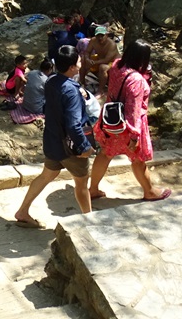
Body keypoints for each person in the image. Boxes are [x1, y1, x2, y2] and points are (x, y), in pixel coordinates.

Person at [13, 47, 94, 227]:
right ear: (73, 67)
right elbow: (74, 124)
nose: (81, 64)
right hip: (71, 147)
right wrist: (84, 147)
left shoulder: (51, 81)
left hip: (53, 141)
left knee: (46, 175)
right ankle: (90, 223)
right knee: (81, 184)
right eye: (79, 61)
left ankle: (23, 211)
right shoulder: (71, 91)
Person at [89, 40, 171, 202]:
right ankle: (150, 191)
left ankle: (93, 189)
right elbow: (133, 109)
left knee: (105, 153)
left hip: (111, 120)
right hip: (128, 126)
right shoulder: (136, 80)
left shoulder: (117, 66)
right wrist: (134, 135)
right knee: (138, 159)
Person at [83, 27, 118, 93]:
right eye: (98, 36)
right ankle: (82, 83)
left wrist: (93, 62)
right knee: (83, 59)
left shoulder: (111, 44)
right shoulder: (93, 41)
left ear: (106, 35)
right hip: (100, 59)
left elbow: (107, 60)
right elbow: (87, 52)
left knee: (103, 67)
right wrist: (87, 59)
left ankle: (100, 91)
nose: (100, 38)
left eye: (102, 35)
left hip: (113, 62)